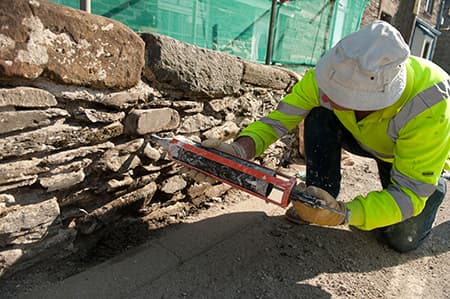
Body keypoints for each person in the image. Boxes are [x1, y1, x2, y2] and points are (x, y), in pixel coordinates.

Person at [201, 21, 450, 253]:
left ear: (375, 99)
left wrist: (344, 214)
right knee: (319, 115)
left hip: (408, 160)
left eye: (340, 97)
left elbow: (409, 195)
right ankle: (318, 195)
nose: (327, 97)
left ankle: (437, 186)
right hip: (365, 138)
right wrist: (240, 150)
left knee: (399, 239)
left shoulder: (430, 103)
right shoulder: (334, 73)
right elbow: (278, 121)